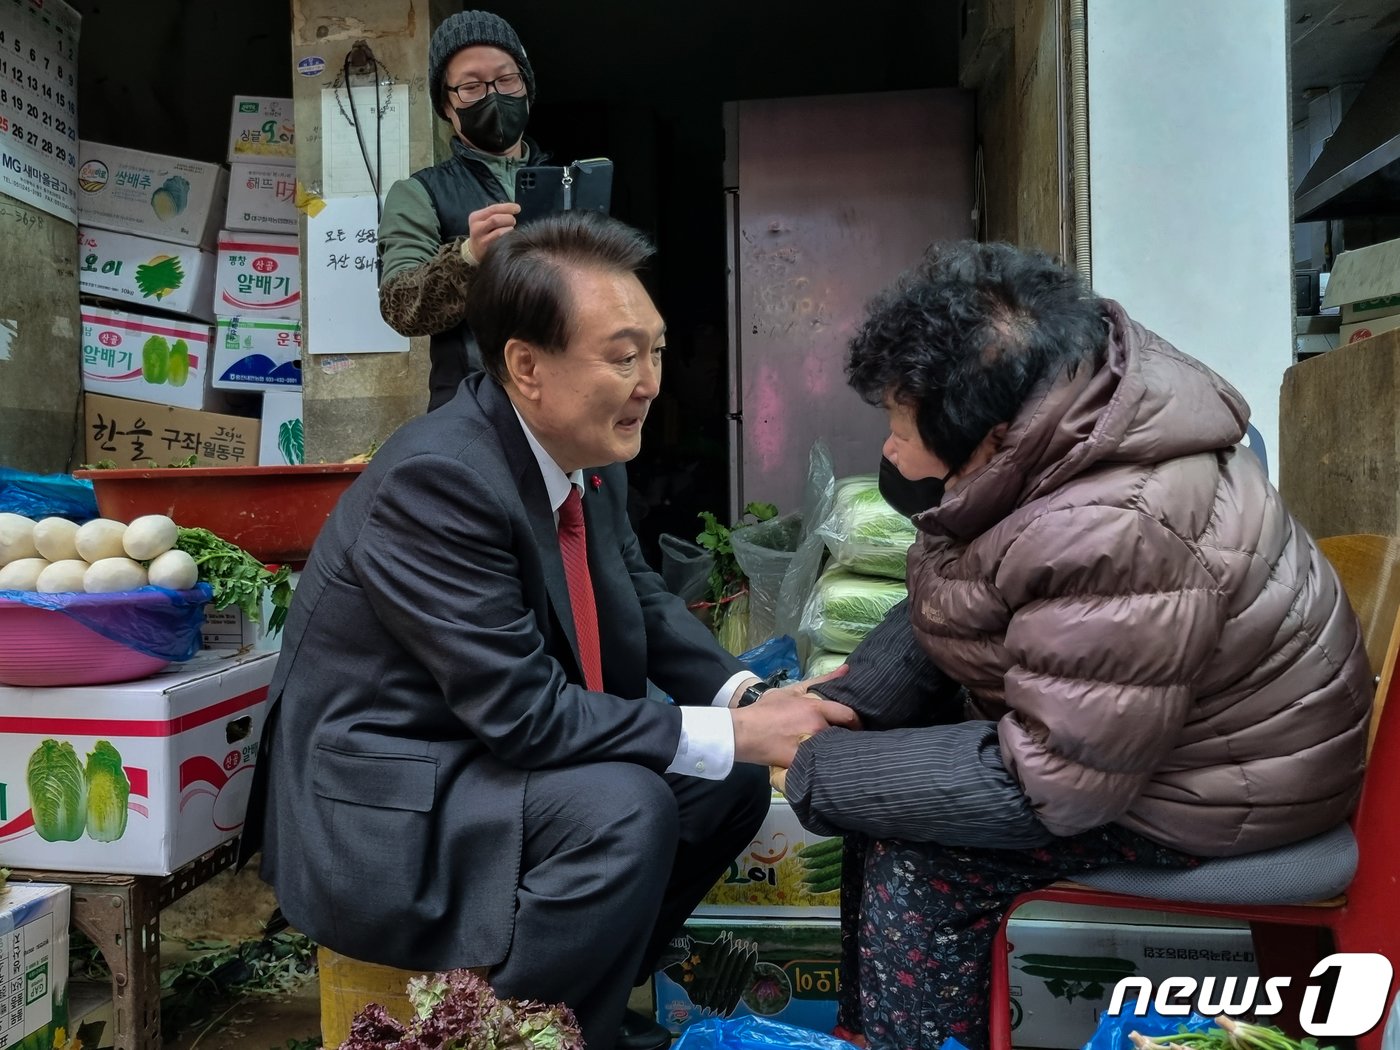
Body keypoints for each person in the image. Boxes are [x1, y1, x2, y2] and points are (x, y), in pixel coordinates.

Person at [239, 212, 859, 1050]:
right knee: (623, 807)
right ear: (527, 366)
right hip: (390, 804)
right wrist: (740, 732)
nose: (650, 382)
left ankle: (580, 1011)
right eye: (623, 355)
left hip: (478, 756)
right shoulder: (440, 481)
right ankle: (504, 1034)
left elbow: (638, 597)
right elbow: (526, 714)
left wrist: (750, 695)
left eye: (658, 351)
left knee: (726, 784)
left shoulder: (577, 455)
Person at [771, 241, 1373, 1050]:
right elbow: (965, 590)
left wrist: (816, 765)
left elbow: (1052, 786)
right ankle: (871, 1030)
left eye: (898, 424)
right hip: (1157, 744)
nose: (890, 452)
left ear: (986, 434)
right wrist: (847, 703)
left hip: (1220, 786)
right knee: (876, 794)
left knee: (920, 859)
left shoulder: (1113, 526)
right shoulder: (1062, 430)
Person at [378, 10, 542, 411]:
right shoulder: (419, 193)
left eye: (506, 79)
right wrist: (469, 258)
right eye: (471, 86)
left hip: (572, 410)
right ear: (446, 106)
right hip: (473, 414)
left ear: (526, 88)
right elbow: (400, 308)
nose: (493, 95)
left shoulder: (569, 183)